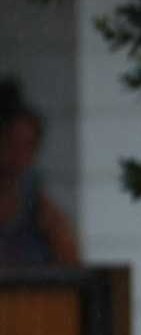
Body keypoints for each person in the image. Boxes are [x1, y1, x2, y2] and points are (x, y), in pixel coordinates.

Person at [0, 78, 81, 269]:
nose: (19, 158)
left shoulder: (40, 208)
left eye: (28, 147)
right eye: (11, 144)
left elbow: (73, 267)